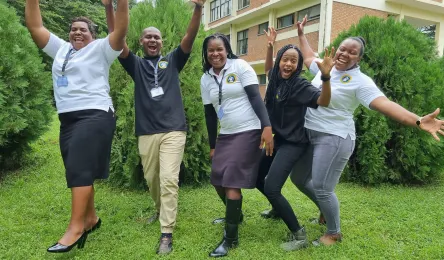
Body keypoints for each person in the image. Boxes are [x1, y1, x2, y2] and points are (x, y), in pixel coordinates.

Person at [290, 16, 444, 246]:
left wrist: (418, 120)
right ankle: (324, 209)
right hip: (309, 133)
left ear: (358, 58)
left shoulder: (360, 81)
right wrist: (301, 34)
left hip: (335, 138)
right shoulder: (324, 67)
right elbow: (309, 56)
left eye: (351, 52)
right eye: (342, 49)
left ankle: (333, 232)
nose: (344, 54)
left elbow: (386, 104)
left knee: (322, 186)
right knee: (299, 178)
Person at [25, 0, 128, 253]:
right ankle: (91, 218)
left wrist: (120, 2)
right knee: (79, 169)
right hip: (68, 120)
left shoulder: (102, 49)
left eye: (83, 29)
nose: (77, 32)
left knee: (79, 168)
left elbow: (121, 31)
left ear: (93, 36)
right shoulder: (61, 49)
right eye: (73, 29)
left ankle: (76, 228)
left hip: (95, 115)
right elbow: (35, 25)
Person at [104, 0, 205, 255]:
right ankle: (159, 211)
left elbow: (189, 37)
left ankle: (166, 232)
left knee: (169, 178)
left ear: (161, 42)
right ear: (141, 41)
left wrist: (198, 8)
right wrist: (108, 8)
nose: (152, 40)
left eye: (157, 37)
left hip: (173, 130)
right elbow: (116, 39)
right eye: (148, 37)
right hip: (146, 132)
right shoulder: (135, 64)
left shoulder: (172, 61)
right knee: (152, 179)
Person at [257, 27, 334, 251]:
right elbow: (269, 68)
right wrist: (270, 47)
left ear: (298, 65)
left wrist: (326, 76)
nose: (288, 64)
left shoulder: (300, 85)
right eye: (285, 59)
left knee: (272, 187)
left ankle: (299, 235)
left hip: (294, 142)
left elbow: (324, 101)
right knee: (257, 177)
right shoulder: (275, 78)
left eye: (293, 61)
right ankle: (277, 208)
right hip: (277, 139)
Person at [200, 33, 273, 257]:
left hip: (248, 131)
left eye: (219, 49)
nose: (215, 54)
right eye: (210, 50)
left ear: (227, 49)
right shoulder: (206, 78)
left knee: (231, 183)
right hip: (226, 134)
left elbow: (255, 98)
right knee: (217, 180)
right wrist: (213, 145)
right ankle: (236, 215)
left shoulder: (240, 66)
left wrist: (266, 127)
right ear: (206, 53)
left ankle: (230, 239)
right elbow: (210, 114)